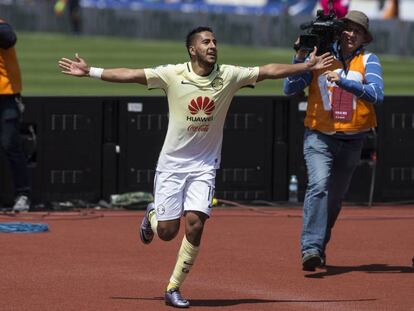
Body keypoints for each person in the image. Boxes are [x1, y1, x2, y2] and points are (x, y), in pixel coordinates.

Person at [58, 26, 333, 307]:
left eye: (214, 41)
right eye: (206, 42)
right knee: (166, 233)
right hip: (171, 166)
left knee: (195, 225)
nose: (212, 46)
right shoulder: (172, 74)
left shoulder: (229, 75)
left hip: (204, 166)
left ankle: (173, 287)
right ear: (192, 50)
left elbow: (268, 70)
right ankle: (152, 213)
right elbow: (131, 75)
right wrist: (91, 71)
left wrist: (306, 66)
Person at [283, 11, 384, 271]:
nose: (351, 34)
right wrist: (301, 58)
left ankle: (319, 245)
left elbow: (376, 94)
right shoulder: (322, 57)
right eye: (347, 28)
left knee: (334, 200)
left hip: (353, 139)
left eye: (357, 31)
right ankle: (311, 249)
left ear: (364, 38)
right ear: (339, 31)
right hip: (319, 136)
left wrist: (345, 82)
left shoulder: (369, 60)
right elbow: (289, 88)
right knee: (318, 186)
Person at [0, 18, 31, 212]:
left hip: (6, 95)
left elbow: (9, 38)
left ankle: (23, 194)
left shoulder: (2, 25)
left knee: (10, 144)